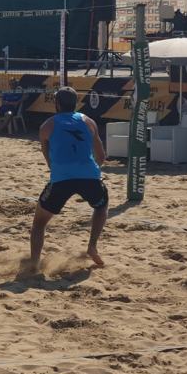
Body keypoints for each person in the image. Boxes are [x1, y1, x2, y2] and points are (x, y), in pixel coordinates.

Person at [29, 86, 108, 271]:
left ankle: (34, 263)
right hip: (89, 175)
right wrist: (92, 171)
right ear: (76, 103)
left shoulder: (47, 126)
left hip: (61, 178)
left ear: (56, 104)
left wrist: (61, 171)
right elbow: (102, 157)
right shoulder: (89, 122)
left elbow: (48, 159)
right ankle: (92, 246)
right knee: (101, 207)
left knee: (39, 223)